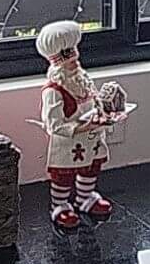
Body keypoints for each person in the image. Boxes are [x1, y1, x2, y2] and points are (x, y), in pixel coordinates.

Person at [35, 19, 126, 230]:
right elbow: (54, 124)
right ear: (55, 59)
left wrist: (107, 114)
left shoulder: (83, 79)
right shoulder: (54, 90)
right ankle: (60, 205)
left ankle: (85, 198)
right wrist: (82, 127)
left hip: (92, 140)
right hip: (69, 144)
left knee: (91, 169)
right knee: (63, 176)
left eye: (75, 50)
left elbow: (94, 103)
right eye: (67, 54)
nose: (74, 58)